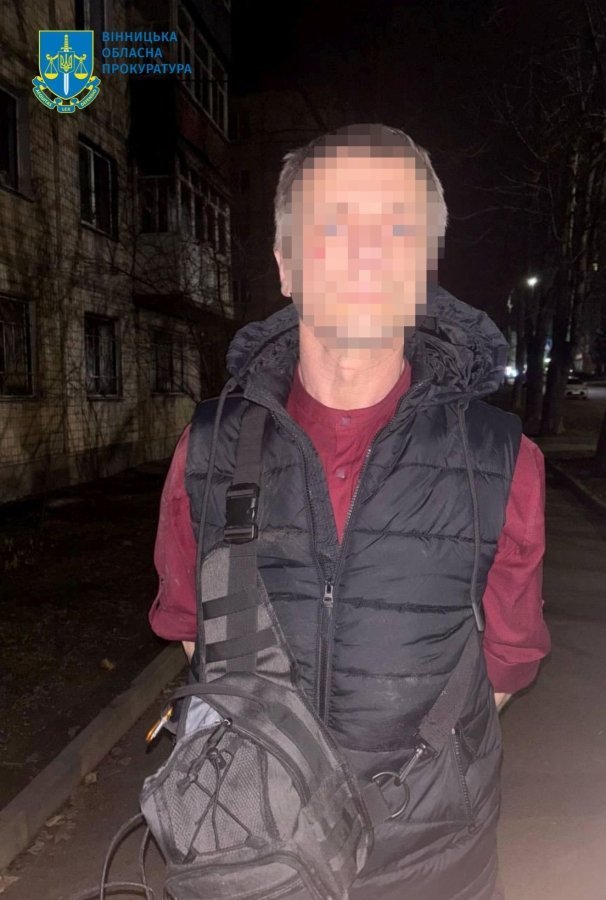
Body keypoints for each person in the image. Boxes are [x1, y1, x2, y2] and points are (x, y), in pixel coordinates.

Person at [149, 124, 551, 900]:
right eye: (333, 223)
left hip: (436, 871)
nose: (364, 250)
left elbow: (506, 662)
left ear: (423, 268)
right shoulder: (206, 448)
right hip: (253, 862)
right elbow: (195, 631)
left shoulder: (503, 458)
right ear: (285, 263)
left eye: (394, 227)